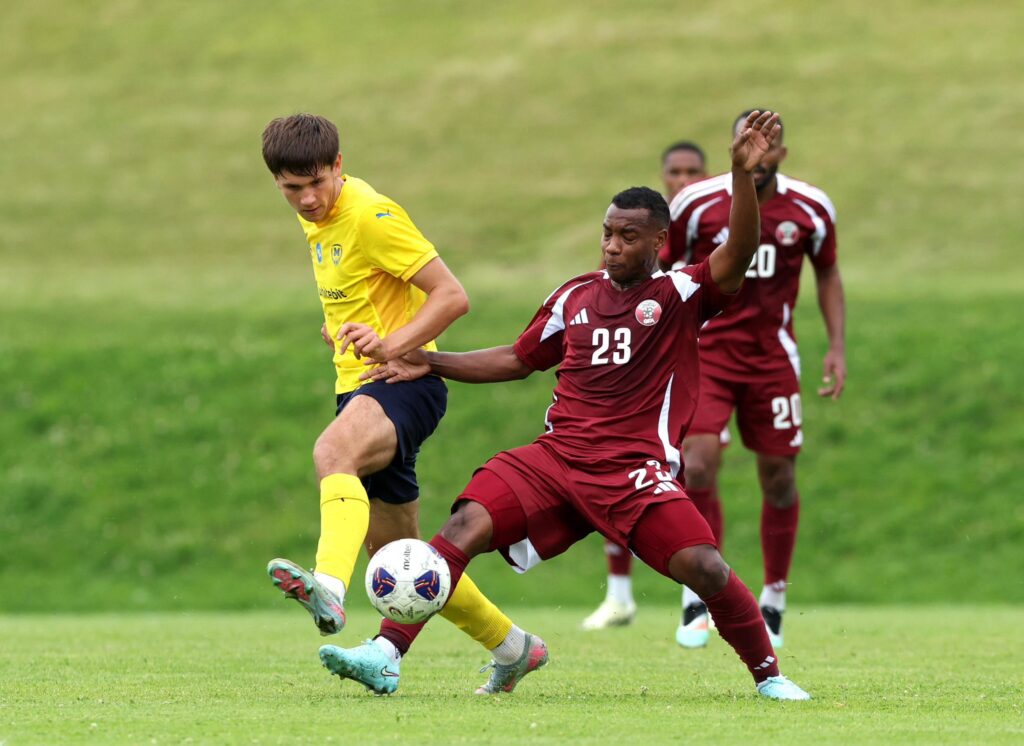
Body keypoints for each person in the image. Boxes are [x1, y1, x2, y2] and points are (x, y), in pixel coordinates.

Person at [322, 111, 810, 700]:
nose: (612, 246)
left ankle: (770, 676)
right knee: (463, 526)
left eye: (628, 237)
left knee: (705, 568)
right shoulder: (574, 296)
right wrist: (432, 359)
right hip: (556, 458)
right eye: (607, 232)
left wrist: (738, 175)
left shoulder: (680, 294)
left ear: (659, 241)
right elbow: (517, 359)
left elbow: (740, 251)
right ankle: (385, 654)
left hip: (633, 470)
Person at [260, 114, 521, 668]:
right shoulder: (319, 218)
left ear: (338, 165)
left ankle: (328, 585)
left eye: (316, 182)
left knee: (332, 452)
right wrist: (341, 328)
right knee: (400, 559)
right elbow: (365, 290)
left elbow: (452, 296)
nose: (308, 199)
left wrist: (394, 346)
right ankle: (514, 648)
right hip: (359, 385)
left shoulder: (371, 215)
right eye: (292, 188)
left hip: (403, 383)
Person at [660, 111, 846, 650]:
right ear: (734, 145)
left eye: (769, 146)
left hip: (772, 360)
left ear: (782, 155)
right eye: (749, 142)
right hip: (707, 354)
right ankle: (701, 589)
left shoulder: (811, 207)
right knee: (695, 462)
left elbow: (828, 272)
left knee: (779, 478)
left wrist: (835, 346)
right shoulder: (695, 203)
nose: (759, 154)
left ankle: (775, 599)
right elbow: (663, 268)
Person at [582, 138, 708, 631]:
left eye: (693, 172)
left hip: (706, 359)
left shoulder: (713, 225)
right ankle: (619, 594)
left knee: (695, 464)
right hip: (645, 362)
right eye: (674, 172)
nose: (683, 181)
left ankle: (699, 588)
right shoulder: (640, 237)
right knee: (617, 455)